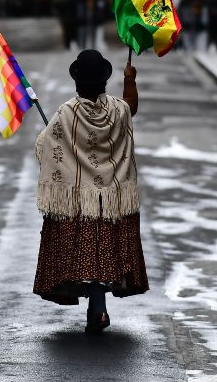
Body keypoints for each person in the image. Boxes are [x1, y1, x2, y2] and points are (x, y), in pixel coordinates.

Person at [33, 49, 148, 333]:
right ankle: (98, 307)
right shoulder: (117, 111)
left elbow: (44, 148)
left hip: (79, 202)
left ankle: (96, 308)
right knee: (104, 253)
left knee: (86, 255)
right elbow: (131, 106)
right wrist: (129, 79)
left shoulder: (66, 113)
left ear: (77, 82)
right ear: (104, 82)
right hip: (111, 199)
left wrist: (48, 140)